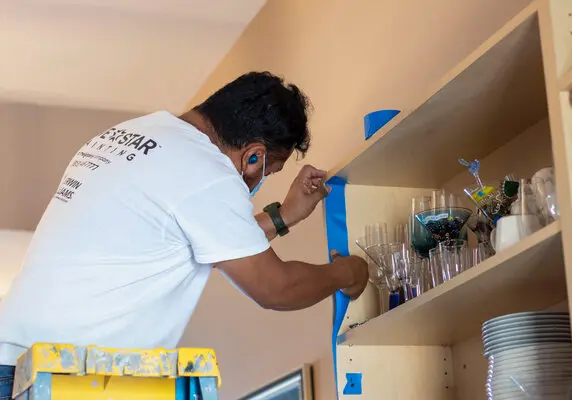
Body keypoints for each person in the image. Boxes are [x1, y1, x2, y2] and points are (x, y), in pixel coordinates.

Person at [0, 71, 369, 395]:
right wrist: (347, 274)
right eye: (269, 171)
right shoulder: (205, 171)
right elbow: (276, 287)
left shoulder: (142, 133)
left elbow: (195, 243)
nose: (262, 179)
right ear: (253, 156)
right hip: (59, 379)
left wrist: (284, 216)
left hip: (19, 365)